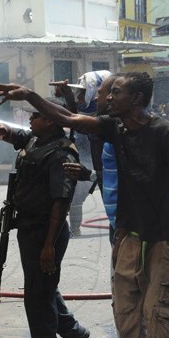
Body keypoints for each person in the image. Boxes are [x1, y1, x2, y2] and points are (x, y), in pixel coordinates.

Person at [0, 71, 169, 338]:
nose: (109, 98)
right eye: (108, 92)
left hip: (162, 240)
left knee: (161, 320)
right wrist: (30, 96)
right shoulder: (115, 128)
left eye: (116, 93)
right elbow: (70, 118)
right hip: (128, 239)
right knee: (128, 318)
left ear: (137, 99)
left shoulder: (162, 132)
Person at [0, 106, 90, 338]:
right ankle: (73, 331)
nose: (30, 120)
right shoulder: (38, 140)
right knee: (42, 287)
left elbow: (60, 202)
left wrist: (48, 246)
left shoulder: (61, 153)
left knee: (37, 296)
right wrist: (6, 132)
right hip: (29, 227)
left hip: (46, 231)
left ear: (51, 121)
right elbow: (22, 138)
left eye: (35, 116)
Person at [62, 73, 146, 338]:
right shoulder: (111, 125)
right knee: (124, 301)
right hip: (120, 224)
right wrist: (89, 176)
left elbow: (75, 118)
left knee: (132, 301)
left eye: (98, 94)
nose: (98, 99)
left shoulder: (120, 128)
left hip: (133, 227)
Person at [52, 70, 112, 236]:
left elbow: (72, 118)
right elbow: (73, 116)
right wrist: (66, 97)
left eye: (84, 92)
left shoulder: (107, 119)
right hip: (90, 164)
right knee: (76, 197)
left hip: (100, 169)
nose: (80, 96)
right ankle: (75, 229)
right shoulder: (90, 113)